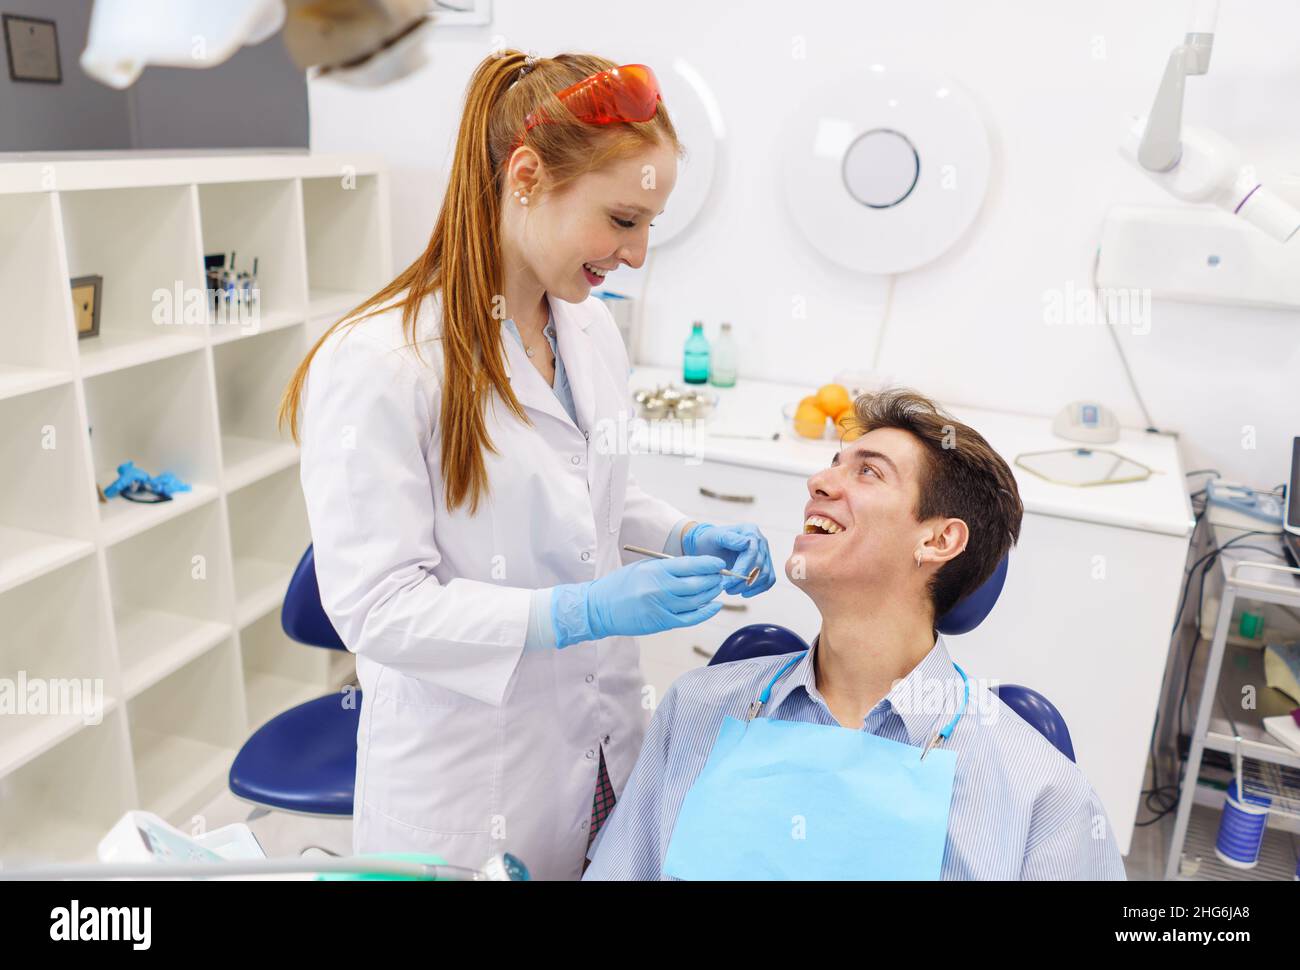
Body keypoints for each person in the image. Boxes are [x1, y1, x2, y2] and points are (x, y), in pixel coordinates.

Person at [279, 50, 777, 880]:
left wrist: (681, 531)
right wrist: (576, 614)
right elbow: (379, 610)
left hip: (604, 748)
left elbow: (592, 495)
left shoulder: (587, 330)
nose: (640, 253)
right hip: (469, 781)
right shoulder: (380, 363)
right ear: (525, 175)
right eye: (622, 221)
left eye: (650, 223)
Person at [584, 389, 1127, 880]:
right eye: (833, 465)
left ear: (938, 540)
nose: (819, 483)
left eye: (868, 473)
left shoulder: (1041, 793)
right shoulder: (695, 710)